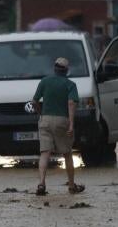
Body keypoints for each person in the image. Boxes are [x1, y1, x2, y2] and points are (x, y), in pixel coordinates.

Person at [31, 57, 85, 195]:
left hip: (45, 120)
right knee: (67, 154)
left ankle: (41, 183)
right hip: (62, 121)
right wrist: (71, 124)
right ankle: (72, 186)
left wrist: (40, 113)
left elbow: (34, 101)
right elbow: (71, 103)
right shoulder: (70, 85)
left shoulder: (44, 81)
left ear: (54, 69)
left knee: (45, 153)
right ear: (66, 71)